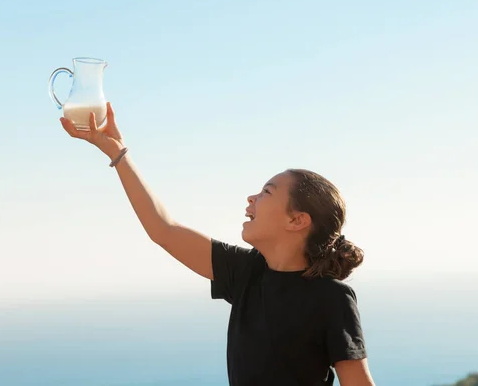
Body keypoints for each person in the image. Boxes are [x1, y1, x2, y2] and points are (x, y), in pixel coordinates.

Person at [59, 102, 376, 386]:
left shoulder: (331, 298)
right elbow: (163, 230)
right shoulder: (246, 271)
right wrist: (117, 153)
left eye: (267, 192)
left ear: (297, 221)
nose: (251, 197)